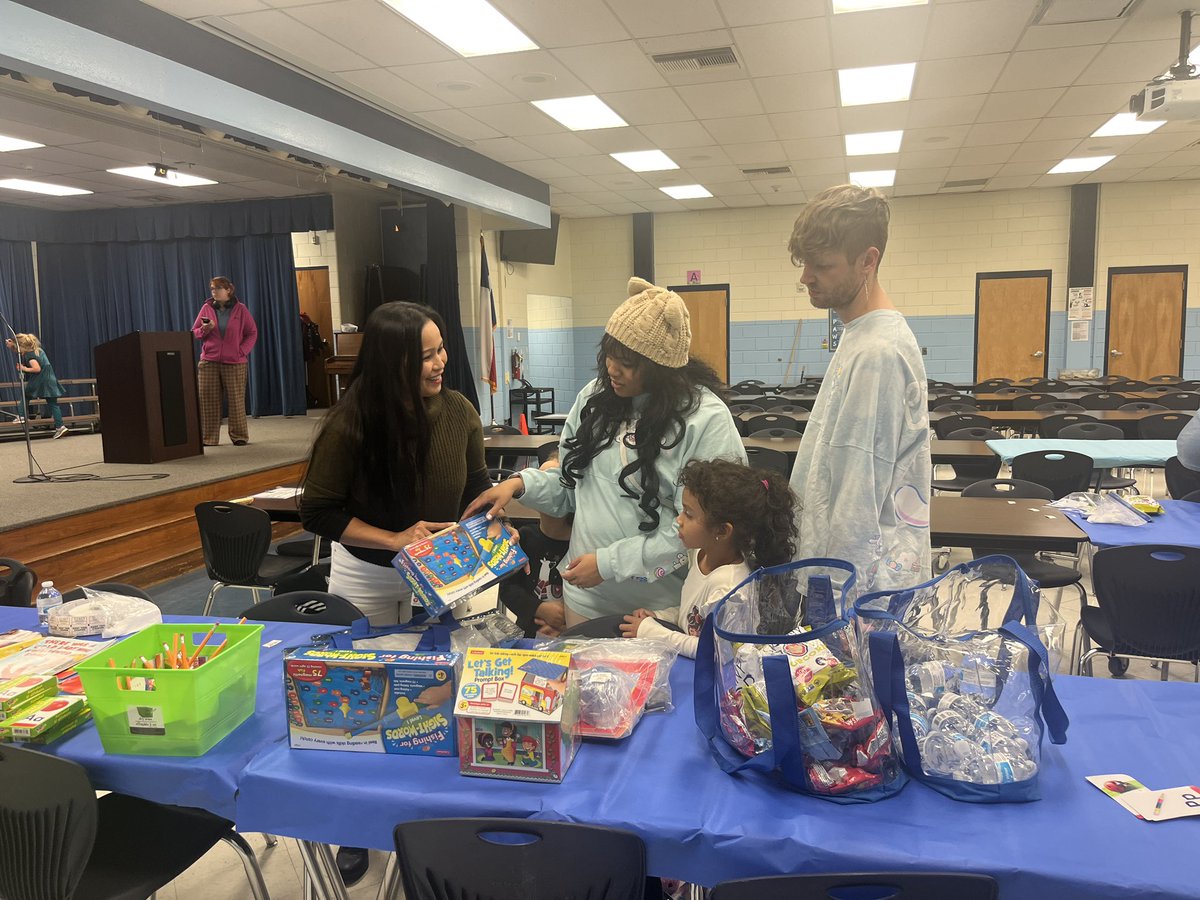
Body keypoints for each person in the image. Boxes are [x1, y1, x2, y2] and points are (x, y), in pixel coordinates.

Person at [299, 300, 489, 887]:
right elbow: (319, 510)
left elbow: (476, 487)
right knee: (367, 712)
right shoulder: (351, 422)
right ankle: (357, 831)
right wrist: (396, 539)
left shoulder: (458, 411)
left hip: (444, 581)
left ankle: (438, 826)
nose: (441, 363)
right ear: (392, 362)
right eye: (426, 354)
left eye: (441, 349)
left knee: (442, 702)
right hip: (368, 577)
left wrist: (485, 529)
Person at [466, 277, 746, 627]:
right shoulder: (594, 400)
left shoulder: (705, 420)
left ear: (660, 367)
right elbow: (569, 487)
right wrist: (520, 485)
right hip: (585, 598)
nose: (613, 368)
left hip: (661, 610)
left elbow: (702, 527)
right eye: (610, 354)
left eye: (628, 361)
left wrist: (610, 563)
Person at [787, 184, 931, 594]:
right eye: (804, 263)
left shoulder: (878, 353)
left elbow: (857, 497)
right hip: (852, 577)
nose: (805, 277)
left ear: (868, 260)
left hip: (856, 590)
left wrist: (831, 598)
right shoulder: (861, 334)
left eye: (822, 266)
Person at [620, 459, 796, 658]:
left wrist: (651, 631)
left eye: (689, 514)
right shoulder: (700, 554)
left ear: (722, 530)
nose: (679, 520)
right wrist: (661, 617)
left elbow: (716, 652)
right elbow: (695, 617)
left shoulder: (730, 589)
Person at [191, 276, 258, 446]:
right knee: (208, 401)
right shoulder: (206, 308)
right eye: (212, 288)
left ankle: (239, 436)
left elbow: (252, 332)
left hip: (235, 362)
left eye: (218, 288)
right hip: (209, 362)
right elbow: (195, 332)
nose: (214, 291)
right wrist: (205, 329)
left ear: (228, 290)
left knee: (236, 400)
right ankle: (209, 438)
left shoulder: (240, 309)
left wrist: (241, 351)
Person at [7, 333, 67, 439]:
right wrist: (12, 343)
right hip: (50, 379)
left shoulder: (30, 355)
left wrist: (24, 369)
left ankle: (21, 416)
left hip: (41, 380)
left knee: (25, 395)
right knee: (53, 403)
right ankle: (60, 426)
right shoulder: (38, 350)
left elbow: (36, 369)